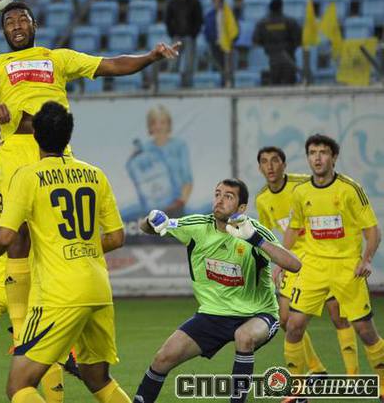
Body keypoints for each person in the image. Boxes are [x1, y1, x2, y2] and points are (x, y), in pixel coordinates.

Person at [0, 1, 180, 363]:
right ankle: (21, 331)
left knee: (61, 239)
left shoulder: (57, 58)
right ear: (3, 30)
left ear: (34, 25)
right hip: (16, 158)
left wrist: (150, 57)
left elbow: (111, 64)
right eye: (9, 21)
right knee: (18, 238)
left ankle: (65, 327)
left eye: (22, 19)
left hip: (55, 157)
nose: (16, 25)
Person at [0, 102, 131, 403]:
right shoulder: (95, 174)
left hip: (59, 293)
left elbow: (6, 236)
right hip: (98, 289)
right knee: (97, 378)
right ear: (68, 136)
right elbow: (116, 237)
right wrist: (82, 247)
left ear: (35, 136)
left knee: (19, 386)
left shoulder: (28, 176)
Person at [133, 178, 301, 403]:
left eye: (228, 196)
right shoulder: (197, 226)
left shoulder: (253, 231)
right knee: (163, 358)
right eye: (217, 194)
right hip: (213, 314)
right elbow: (149, 228)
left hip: (258, 314)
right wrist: (151, 219)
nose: (220, 200)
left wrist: (255, 239)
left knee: (244, 337)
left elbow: (294, 264)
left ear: (242, 207)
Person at [283, 134, 384, 402]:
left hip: (347, 270)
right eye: (312, 153)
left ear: (334, 157)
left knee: (366, 331)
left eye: (323, 152)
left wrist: (366, 260)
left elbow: (373, 231)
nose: (317, 158)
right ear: (308, 158)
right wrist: (281, 260)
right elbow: (294, 229)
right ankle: (296, 390)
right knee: (293, 326)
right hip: (313, 268)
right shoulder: (301, 192)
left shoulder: (350, 189)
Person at [255, 146, 360, 376]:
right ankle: (316, 368)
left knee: (338, 316)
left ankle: (353, 376)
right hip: (291, 261)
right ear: (260, 167)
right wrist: (275, 262)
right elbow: (267, 233)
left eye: (275, 160)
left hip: (320, 258)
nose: (270, 166)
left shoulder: (302, 185)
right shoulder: (262, 199)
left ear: (284, 164)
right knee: (286, 320)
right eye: (264, 161)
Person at [252, 0, 301, 85]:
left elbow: (256, 40)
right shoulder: (291, 22)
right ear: (281, 7)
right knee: (289, 86)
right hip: (289, 58)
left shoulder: (262, 23)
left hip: (272, 59)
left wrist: (268, 45)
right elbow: (299, 39)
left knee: (275, 86)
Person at [164, 0, 203, 87]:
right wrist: (172, 33)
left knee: (189, 63)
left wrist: (194, 34)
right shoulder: (172, 2)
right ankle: (172, 85)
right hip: (177, 36)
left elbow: (199, 19)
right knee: (173, 62)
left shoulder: (194, 1)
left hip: (190, 36)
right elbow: (167, 19)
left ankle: (187, 85)